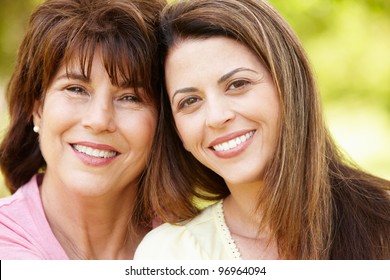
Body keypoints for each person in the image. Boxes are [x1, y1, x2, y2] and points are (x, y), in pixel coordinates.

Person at [134, 0, 390, 259]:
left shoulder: (382, 223)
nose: (216, 117)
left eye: (237, 84)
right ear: (177, 133)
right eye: (190, 101)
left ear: (289, 85)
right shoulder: (169, 253)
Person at [0, 0, 165, 259]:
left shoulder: (198, 245)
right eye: (75, 89)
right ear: (37, 107)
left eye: (130, 97)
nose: (99, 120)